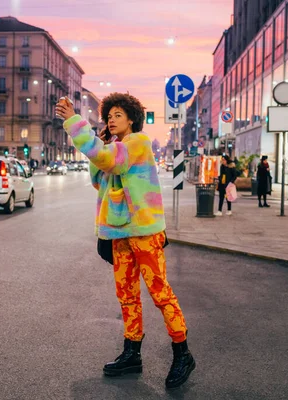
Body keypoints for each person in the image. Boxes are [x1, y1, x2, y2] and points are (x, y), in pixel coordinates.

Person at [56, 93, 195, 389]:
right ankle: (132, 353)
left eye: (118, 115)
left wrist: (74, 121)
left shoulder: (138, 143)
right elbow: (99, 177)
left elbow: (112, 163)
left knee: (160, 293)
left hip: (144, 232)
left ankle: (182, 353)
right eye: (109, 115)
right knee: (127, 295)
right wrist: (103, 142)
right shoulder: (115, 146)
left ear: (132, 119)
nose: (111, 119)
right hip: (119, 233)